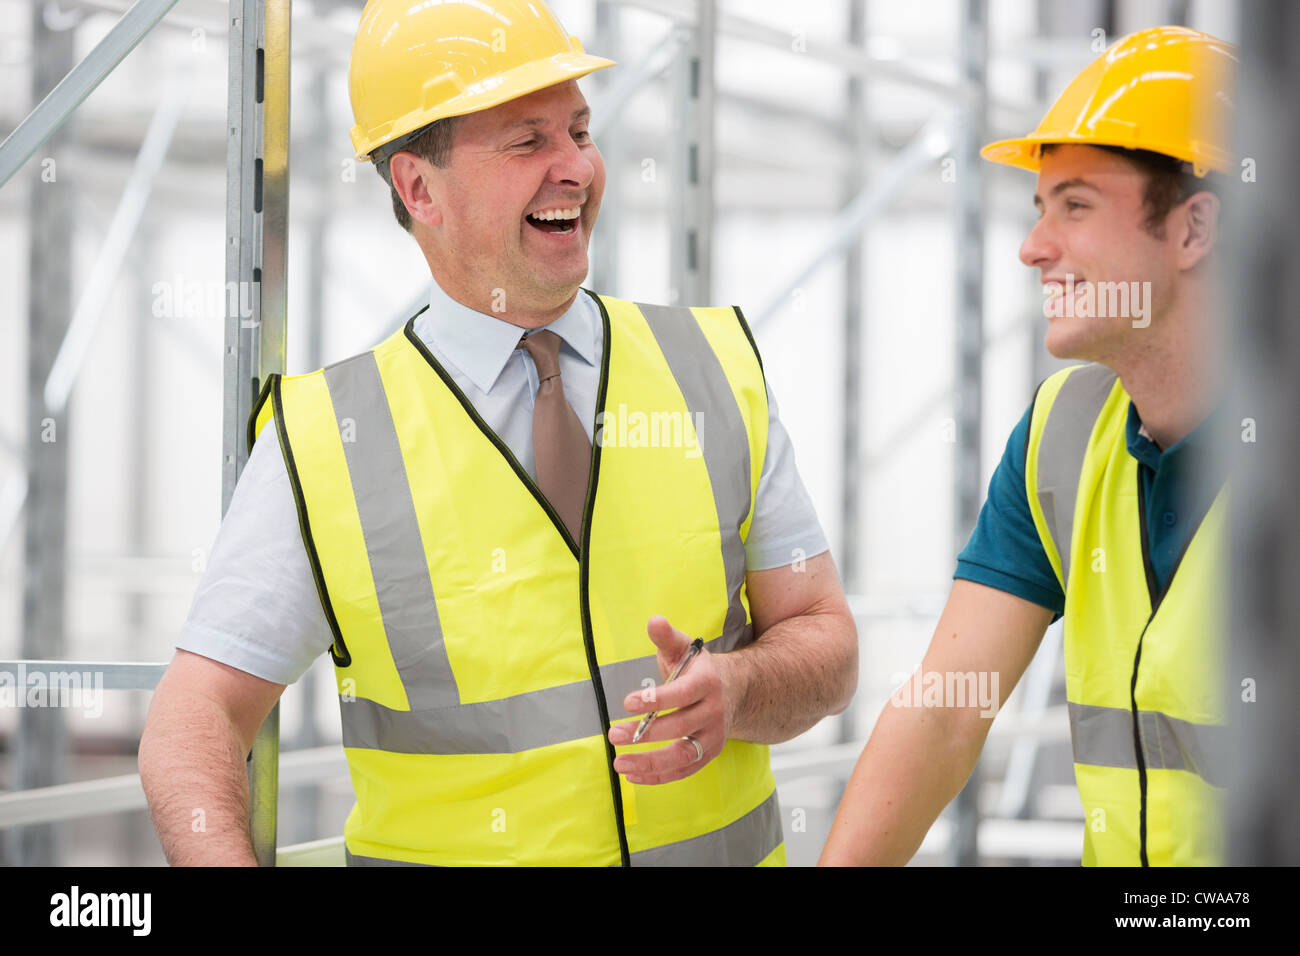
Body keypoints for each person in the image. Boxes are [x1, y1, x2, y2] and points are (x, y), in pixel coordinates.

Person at [138, 0, 857, 867]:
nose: (577, 169)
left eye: (580, 131)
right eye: (528, 142)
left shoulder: (712, 368)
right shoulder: (328, 442)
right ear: (418, 189)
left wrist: (739, 688)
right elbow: (193, 721)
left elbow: (826, 638)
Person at [819, 25, 1235, 867]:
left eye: (1075, 206)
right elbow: (942, 712)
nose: (1032, 247)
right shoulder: (1065, 433)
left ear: (1194, 232)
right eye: (1038, 209)